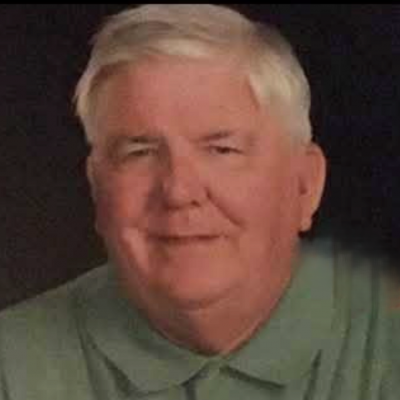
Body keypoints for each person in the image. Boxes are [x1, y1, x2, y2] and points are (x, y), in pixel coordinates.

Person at [0, 4, 398, 399]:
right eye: (140, 152)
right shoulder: (12, 366)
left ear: (305, 186)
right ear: (97, 186)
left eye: (222, 150)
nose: (178, 191)